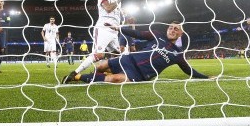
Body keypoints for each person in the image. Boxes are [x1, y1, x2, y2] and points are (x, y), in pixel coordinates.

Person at [63, 21, 213, 84]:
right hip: (128, 60)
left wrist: (206, 77)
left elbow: (189, 70)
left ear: (180, 34)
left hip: (140, 75)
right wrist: (118, 28)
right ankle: (96, 75)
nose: (172, 30)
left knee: (115, 79)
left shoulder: (177, 54)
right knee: (100, 66)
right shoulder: (156, 34)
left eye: (176, 29)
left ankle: (76, 77)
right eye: (170, 27)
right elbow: (138, 34)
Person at [62, 0, 123, 82]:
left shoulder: (117, 1)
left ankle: (106, 71)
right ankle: (75, 73)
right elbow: (108, 8)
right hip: (104, 29)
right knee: (99, 55)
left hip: (114, 32)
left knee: (118, 54)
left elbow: (118, 15)